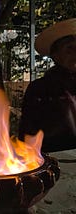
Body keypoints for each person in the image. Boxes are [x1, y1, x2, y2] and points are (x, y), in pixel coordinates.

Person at [19, 18, 76, 152]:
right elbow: (28, 134)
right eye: (70, 49)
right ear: (55, 56)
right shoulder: (40, 89)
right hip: (54, 159)